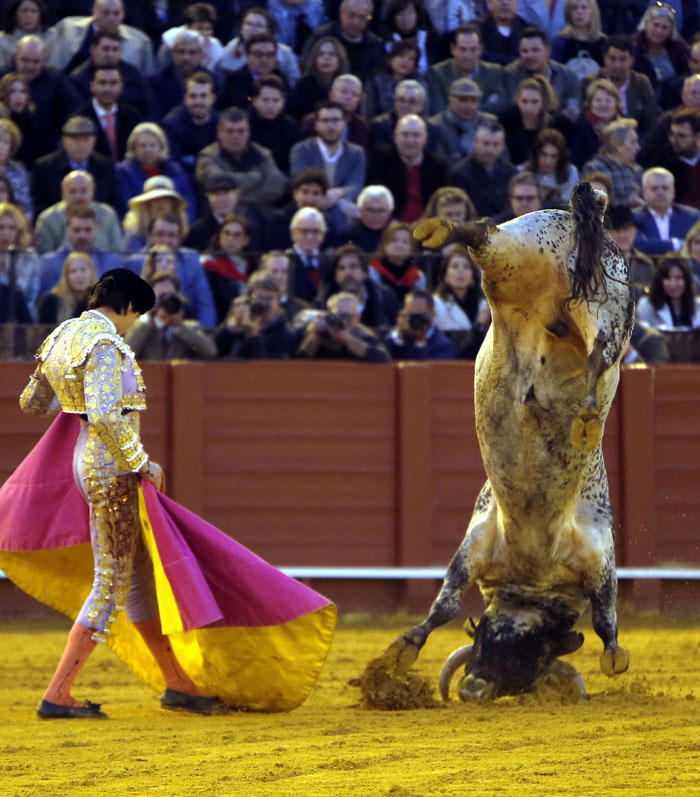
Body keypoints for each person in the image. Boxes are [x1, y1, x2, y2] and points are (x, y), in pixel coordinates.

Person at [17, 268, 225, 717]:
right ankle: (57, 694)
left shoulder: (62, 336)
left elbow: (32, 404)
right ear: (128, 307)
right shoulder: (107, 344)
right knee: (110, 583)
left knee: (137, 576)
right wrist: (141, 463)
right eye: (136, 316)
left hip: (84, 461)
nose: (133, 325)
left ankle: (177, 684)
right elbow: (109, 416)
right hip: (110, 470)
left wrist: (68, 394)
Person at [195, 107, 287, 211]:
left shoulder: (262, 154)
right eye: (229, 131)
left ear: (248, 132)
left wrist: (233, 198)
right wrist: (254, 178)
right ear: (219, 132)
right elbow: (215, 183)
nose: (235, 136)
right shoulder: (208, 156)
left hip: (258, 216)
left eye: (241, 131)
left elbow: (276, 187)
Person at [30, 115, 118, 216]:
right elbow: (40, 205)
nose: (81, 144)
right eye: (75, 139)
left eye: (86, 140)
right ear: (64, 141)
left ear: (94, 141)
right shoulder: (45, 167)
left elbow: (112, 202)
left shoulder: (106, 166)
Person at [366, 114, 448, 222]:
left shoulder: (438, 166)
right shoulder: (379, 159)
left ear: (425, 139)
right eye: (405, 134)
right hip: (388, 225)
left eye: (416, 135)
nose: (410, 140)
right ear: (395, 137)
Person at [290, 101, 366, 214]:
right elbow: (301, 183)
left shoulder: (356, 153)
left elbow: (356, 186)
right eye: (325, 121)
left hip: (343, 214)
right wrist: (333, 200)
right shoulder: (301, 150)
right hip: (307, 209)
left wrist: (337, 193)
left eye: (335, 120)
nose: (330, 126)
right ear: (316, 125)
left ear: (344, 124)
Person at [115, 122, 197, 221]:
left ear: (161, 147)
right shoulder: (123, 171)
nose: (148, 150)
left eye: (153, 145)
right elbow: (127, 205)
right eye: (142, 146)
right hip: (140, 226)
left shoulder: (174, 170)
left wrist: (182, 225)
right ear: (133, 148)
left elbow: (187, 202)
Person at [583, 35, 659, 141]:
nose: (617, 65)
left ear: (631, 60)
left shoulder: (641, 82)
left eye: (623, 59)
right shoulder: (590, 82)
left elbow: (651, 120)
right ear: (605, 59)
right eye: (612, 59)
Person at [50, 0, 155, 74]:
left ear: (123, 15)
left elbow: (146, 78)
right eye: (106, 13)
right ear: (94, 12)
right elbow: (52, 65)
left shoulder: (140, 41)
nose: (111, 18)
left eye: (116, 13)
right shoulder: (67, 28)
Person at [316, 244, 399, 335]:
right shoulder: (322, 301)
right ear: (336, 276)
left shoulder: (386, 297)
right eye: (341, 268)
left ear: (365, 272)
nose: (347, 272)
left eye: (353, 266)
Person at [125, 278, 217, 361]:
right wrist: (148, 318)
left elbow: (211, 350)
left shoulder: (189, 327)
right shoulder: (138, 326)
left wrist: (179, 326)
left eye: (170, 296)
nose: (166, 301)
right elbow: (125, 356)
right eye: (160, 296)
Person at [33, 169, 121, 254]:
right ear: (63, 193)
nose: (78, 196)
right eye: (72, 191)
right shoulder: (48, 219)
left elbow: (117, 251)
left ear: (92, 192)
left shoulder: (108, 215)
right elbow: (44, 256)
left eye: (83, 191)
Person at [39, 204, 122, 293]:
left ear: (96, 230)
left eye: (87, 230)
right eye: (77, 230)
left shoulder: (112, 262)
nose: (82, 235)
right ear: (67, 231)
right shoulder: (50, 263)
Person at [67, 28, 151, 116]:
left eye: (115, 49)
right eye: (105, 49)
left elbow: (147, 105)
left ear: (120, 51)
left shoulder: (133, 74)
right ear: (93, 50)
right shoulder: (78, 78)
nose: (110, 54)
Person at [428, 23, 507, 115]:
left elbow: (500, 106)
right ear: (453, 49)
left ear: (480, 49)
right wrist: (482, 106)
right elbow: (439, 110)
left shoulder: (494, 72)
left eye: (473, 49)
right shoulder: (438, 73)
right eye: (462, 49)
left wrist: (459, 107)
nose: (468, 56)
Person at [214, 271, 296, 359]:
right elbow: (212, 354)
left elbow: (269, 369)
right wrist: (230, 328)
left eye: (268, 299)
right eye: (259, 298)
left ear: (278, 300)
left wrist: (253, 336)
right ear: (248, 298)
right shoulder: (240, 323)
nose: (263, 304)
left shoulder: (285, 334)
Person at [299, 0, 385, 83]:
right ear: (341, 12)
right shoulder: (321, 35)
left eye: (362, 17)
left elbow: (374, 79)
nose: (356, 22)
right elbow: (305, 66)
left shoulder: (375, 45)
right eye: (351, 15)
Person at [502, 27, 580, 117]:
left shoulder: (568, 75)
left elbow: (573, 110)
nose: (529, 55)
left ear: (548, 51)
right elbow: (515, 107)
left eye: (535, 50)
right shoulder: (511, 74)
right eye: (524, 51)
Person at [217, 7, 301, 89]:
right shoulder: (232, 47)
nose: (252, 29)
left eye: (258, 25)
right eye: (248, 24)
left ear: (269, 30)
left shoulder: (284, 52)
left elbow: (294, 81)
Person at [449, 118, 517, 217]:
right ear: (475, 142)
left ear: (502, 146)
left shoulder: (512, 172)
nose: (490, 150)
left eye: (495, 144)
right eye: (485, 144)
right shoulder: (459, 173)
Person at [296, 289, 390, 361]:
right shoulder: (318, 329)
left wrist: (349, 340)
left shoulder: (362, 334)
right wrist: (314, 336)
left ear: (357, 319)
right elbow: (296, 360)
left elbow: (383, 357)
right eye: (339, 315)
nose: (343, 321)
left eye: (348, 317)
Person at [160, 71, 219, 181]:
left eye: (203, 96)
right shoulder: (171, 124)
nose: (198, 102)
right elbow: (174, 168)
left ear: (213, 99)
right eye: (192, 96)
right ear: (185, 98)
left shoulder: (220, 124)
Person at [432, 245, 490, 358]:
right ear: (445, 275)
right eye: (455, 266)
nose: (460, 271)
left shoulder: (484, 305)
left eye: (466, 267)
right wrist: (479, 325)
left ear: (472, 275)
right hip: (447, 362)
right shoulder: (436, 304)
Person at [74, 64, 141, 162]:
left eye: (113, 83)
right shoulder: (79, 118)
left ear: (121, 87)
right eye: (102, 83)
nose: (107, 89)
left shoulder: (133, 116)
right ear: (92, 86)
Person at [428, 77, 498, 162]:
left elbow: (501, 156)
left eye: (473, 100)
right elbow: (438, 161)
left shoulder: (490, 122)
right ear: (450, 100)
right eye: (463, 100)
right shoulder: (435, 124)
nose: (469, 106)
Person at [632, 166, 700, 254]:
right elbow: (639, 245)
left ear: (673, 192)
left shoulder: (692, 216)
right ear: (644, 193)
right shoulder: (633, 217)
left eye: (665, 188)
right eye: (654, 188)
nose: (660, 193)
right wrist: (676, 244)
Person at [201, 214, 254, 323]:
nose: (230, 239)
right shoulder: (209, 264)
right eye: (226, 233)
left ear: (246, 240)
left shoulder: (252, 267)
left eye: (237, 235)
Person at [582, 118, 643, 210]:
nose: (638, 147)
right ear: (617, 145)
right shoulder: (595, 168)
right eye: (633, 142)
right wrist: (627, 203)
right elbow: (593, 204)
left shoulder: (637, 170)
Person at [632, 2, 689, 99]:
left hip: (674, 98)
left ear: (671, 31)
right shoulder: (634, 46)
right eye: (656, 25)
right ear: (646, 24)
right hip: (643, 98)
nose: (659, 31)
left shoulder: (677, 46)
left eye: (664, 27)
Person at [146, 29, 206, 121]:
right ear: (172, 53)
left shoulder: (212, 80)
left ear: (201, 55)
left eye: (192, 52)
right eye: (181, 52)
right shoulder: (155, 82)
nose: (186, 58)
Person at [121, 175, 189, 254]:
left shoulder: (180, 228)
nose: (161, 203)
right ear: (147, 204)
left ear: (173, 203)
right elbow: (130, 260)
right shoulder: (134, 233)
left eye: (165, 198)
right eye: (155, 199)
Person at [499, 75, 557, 166]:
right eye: (524, 101)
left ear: (543, 102)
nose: (529, 107)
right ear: (517, 101)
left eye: (535, 102)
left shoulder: (552, 124)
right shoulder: (506, 120)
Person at [286, 35, 349, 121]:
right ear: (315, 59)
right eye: (321, 54)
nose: (326, 58)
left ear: (340, 60)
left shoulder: (347, 85)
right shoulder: (303, 86)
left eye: (332, 54)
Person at [248, 74, 300, 175]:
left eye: (275, 101)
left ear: (283, 102)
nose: (270, 106)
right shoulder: (245, 124)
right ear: (255, 101)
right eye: (265, 100)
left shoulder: (291, 126)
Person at [384, 287, 457, 359]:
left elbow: (425, 369)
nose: (416, 319)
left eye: (420, 315)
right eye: (411, 314)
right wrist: (399, 337)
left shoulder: (443, 345)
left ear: (433, 314)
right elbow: (384, 360)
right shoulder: (393, 338)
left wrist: (421, 341)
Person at [364, 38, 428, 119]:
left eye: (410, 59)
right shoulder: (376, 83)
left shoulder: (420, 85)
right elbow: (369, 114)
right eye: (401, 56)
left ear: (415, 65)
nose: (405, 61)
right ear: (391, 59)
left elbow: (425, 112)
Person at [369, 220, 426, 303]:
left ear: (411, 249)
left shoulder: (418, 276)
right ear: (384, 245)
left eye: (405, 242)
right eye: (394, 240)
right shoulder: (372, 271)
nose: (400, 245)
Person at [637, 256, 700, 329]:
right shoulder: (647, 306)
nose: (673, 284)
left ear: (687, 280)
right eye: (667, 278)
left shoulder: (698, 305)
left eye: (678, 278)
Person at [605, 204, 654, 297]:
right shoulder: (597, 264)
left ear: (635, 231)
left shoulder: (646, 264)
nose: (623, 236)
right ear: (607, 233)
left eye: (626, 229)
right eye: (617, 230)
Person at [522, 127, 579, 206]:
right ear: (536, 153)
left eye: (554, 156)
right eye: (544, 154)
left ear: (561, 157)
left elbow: (569, 204)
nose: (548, 161)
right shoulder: (522, 171)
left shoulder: (570, 172)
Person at [36, 250, 96, 324]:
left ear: (92, 275)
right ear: (66, 277)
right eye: (73, 271)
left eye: (83, 270)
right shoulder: (51, 301)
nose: (79, 275)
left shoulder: (101, 302)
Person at [0, 200, 40, 313]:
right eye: (1, 227)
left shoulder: (29, 257)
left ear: (19, 231)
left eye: (11, 228)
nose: (5, 233)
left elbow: (31, 295)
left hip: (21, 315)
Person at [285, 206, 332, 303]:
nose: (310, 237)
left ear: (323, 235)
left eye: (316, 231)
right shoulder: (285, 261)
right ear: (293, 233)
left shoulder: (329, 263)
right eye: (304, 231)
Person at [550, 0, 606, 77]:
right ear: (568, 13)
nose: (579, 12)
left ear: (593, 12)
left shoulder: (603, 42)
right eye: (575, 8)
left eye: (584, 8)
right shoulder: (559, 42)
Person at [0, 71, 44, 166]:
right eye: (13, 92)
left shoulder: (33, 118)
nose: (18, 96)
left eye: (22, 92)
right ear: (3, 94)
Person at [0, 0, 58, 71]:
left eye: (33, 11)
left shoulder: (52, 36)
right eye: (24, 11)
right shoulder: (2, 39)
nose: (29, 16)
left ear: (40, 14)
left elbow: (54, 68)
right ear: (15, 15)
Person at [478, 0, 529, 65]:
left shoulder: (528, 28)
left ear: (517, 3)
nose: (505, 2)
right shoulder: (477, 29)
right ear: (490, 2)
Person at [0, 116, 32, 219]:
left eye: (6, 142)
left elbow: (25, 207)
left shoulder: (18, 170)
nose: (1, 147)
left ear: (11, 146)